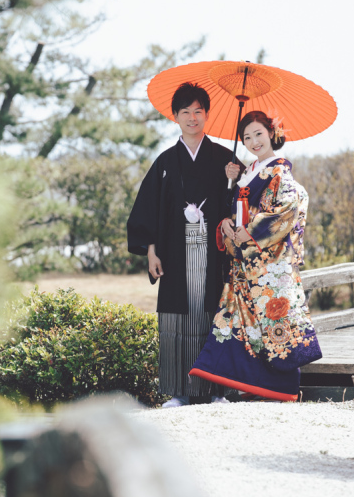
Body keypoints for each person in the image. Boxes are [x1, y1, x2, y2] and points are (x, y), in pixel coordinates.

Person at [189, 110, 323, 401]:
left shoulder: (279, 173)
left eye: (258, 134)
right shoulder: (247, 172)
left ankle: (283, 389)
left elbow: (286, 209)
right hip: (245, 265)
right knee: (238, 323)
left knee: (275, 325)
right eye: (246, 137)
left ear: (272, 134)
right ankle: (247, 385)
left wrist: (248, 233)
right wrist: (227, 215)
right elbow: (232, 211)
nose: (252, 141)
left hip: (269, 266)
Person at [127, 82, 242, 408]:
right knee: (177, 322)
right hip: (175, 254)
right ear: (175, 117)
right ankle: (179, 392)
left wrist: (234, 180)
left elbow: (239, 205)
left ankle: (218, 391)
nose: (193, 118)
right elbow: (147, 210)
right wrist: (150, 251)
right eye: (186, 112)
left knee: (213, 317)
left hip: (213, 254)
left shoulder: (225, 158)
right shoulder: (165, 162)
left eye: (198, 111)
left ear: (207, 115)